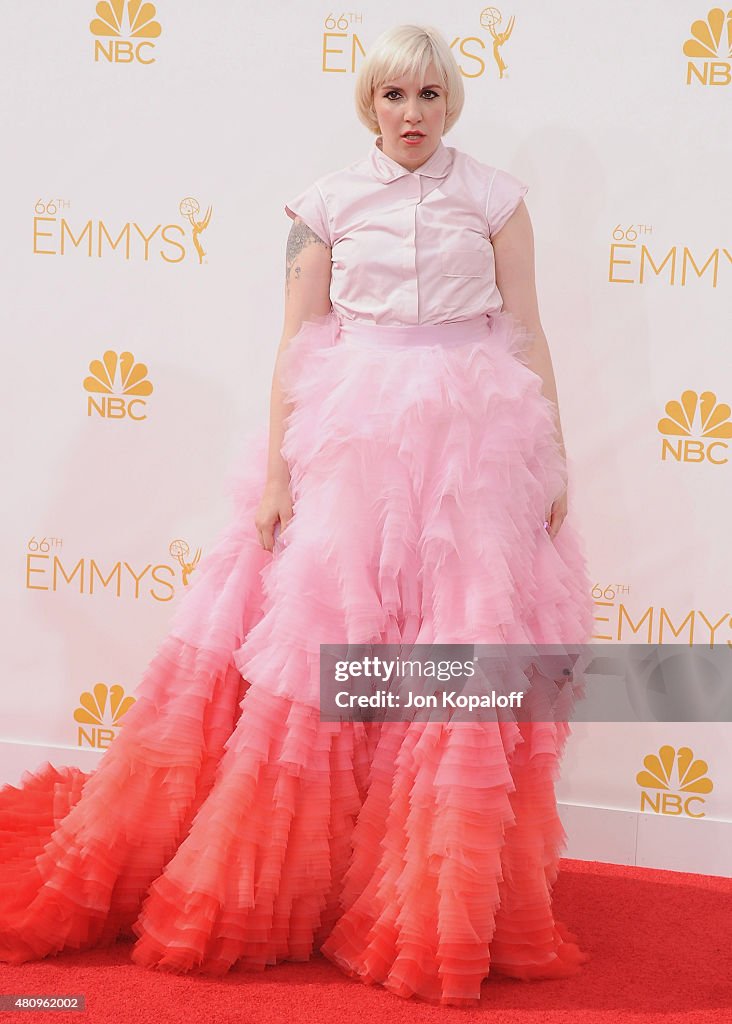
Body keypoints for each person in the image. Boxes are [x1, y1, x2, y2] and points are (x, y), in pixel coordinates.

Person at [0, 23, 593, 1008]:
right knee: (330, 648)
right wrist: (277, 472)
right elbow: (296, 342)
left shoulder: (495, 198)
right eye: (395, 98)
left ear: (452, 103)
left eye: (429, 97)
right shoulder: (324, 205)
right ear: (369, 104)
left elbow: (528, 328)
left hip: (477, 446)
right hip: (353, 438)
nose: (412, 116)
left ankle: (417, 889)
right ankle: (297, 887)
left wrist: (555, 452)